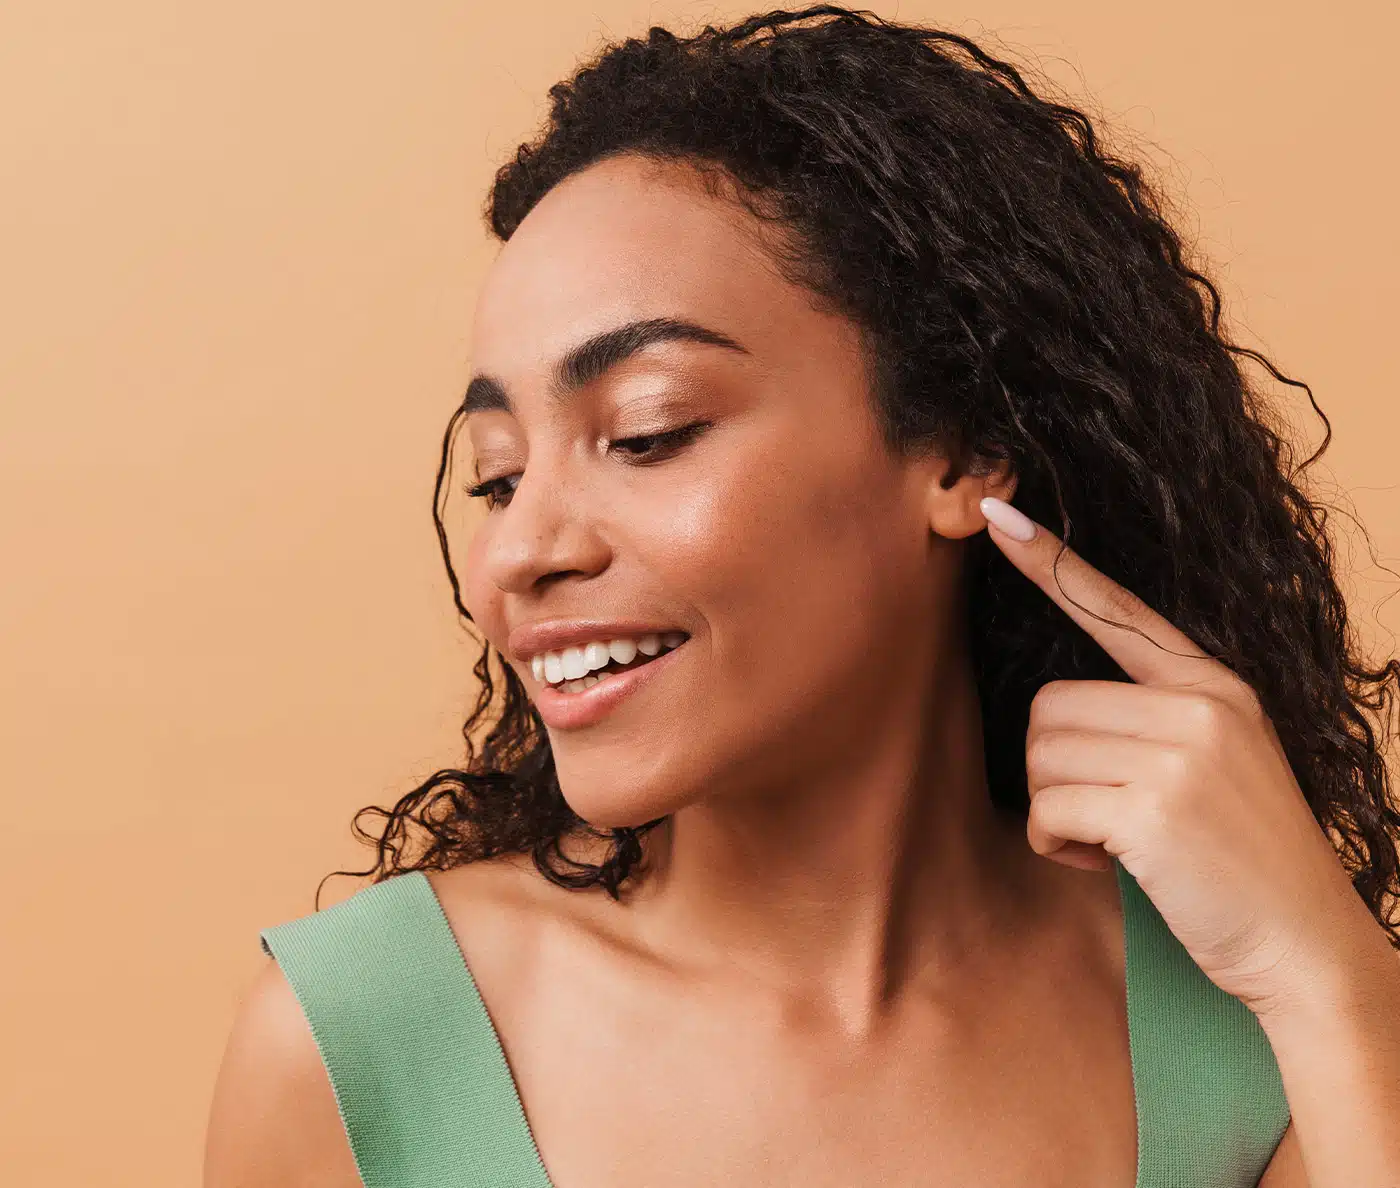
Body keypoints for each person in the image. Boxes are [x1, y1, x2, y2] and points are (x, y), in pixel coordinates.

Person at [203, 7, 1400, 1186]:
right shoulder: (361, 1051)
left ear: (959, 451)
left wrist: (1330, 982)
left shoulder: (1246, 1032)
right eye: (498, 477)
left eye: (646, 432)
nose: (519, 551)